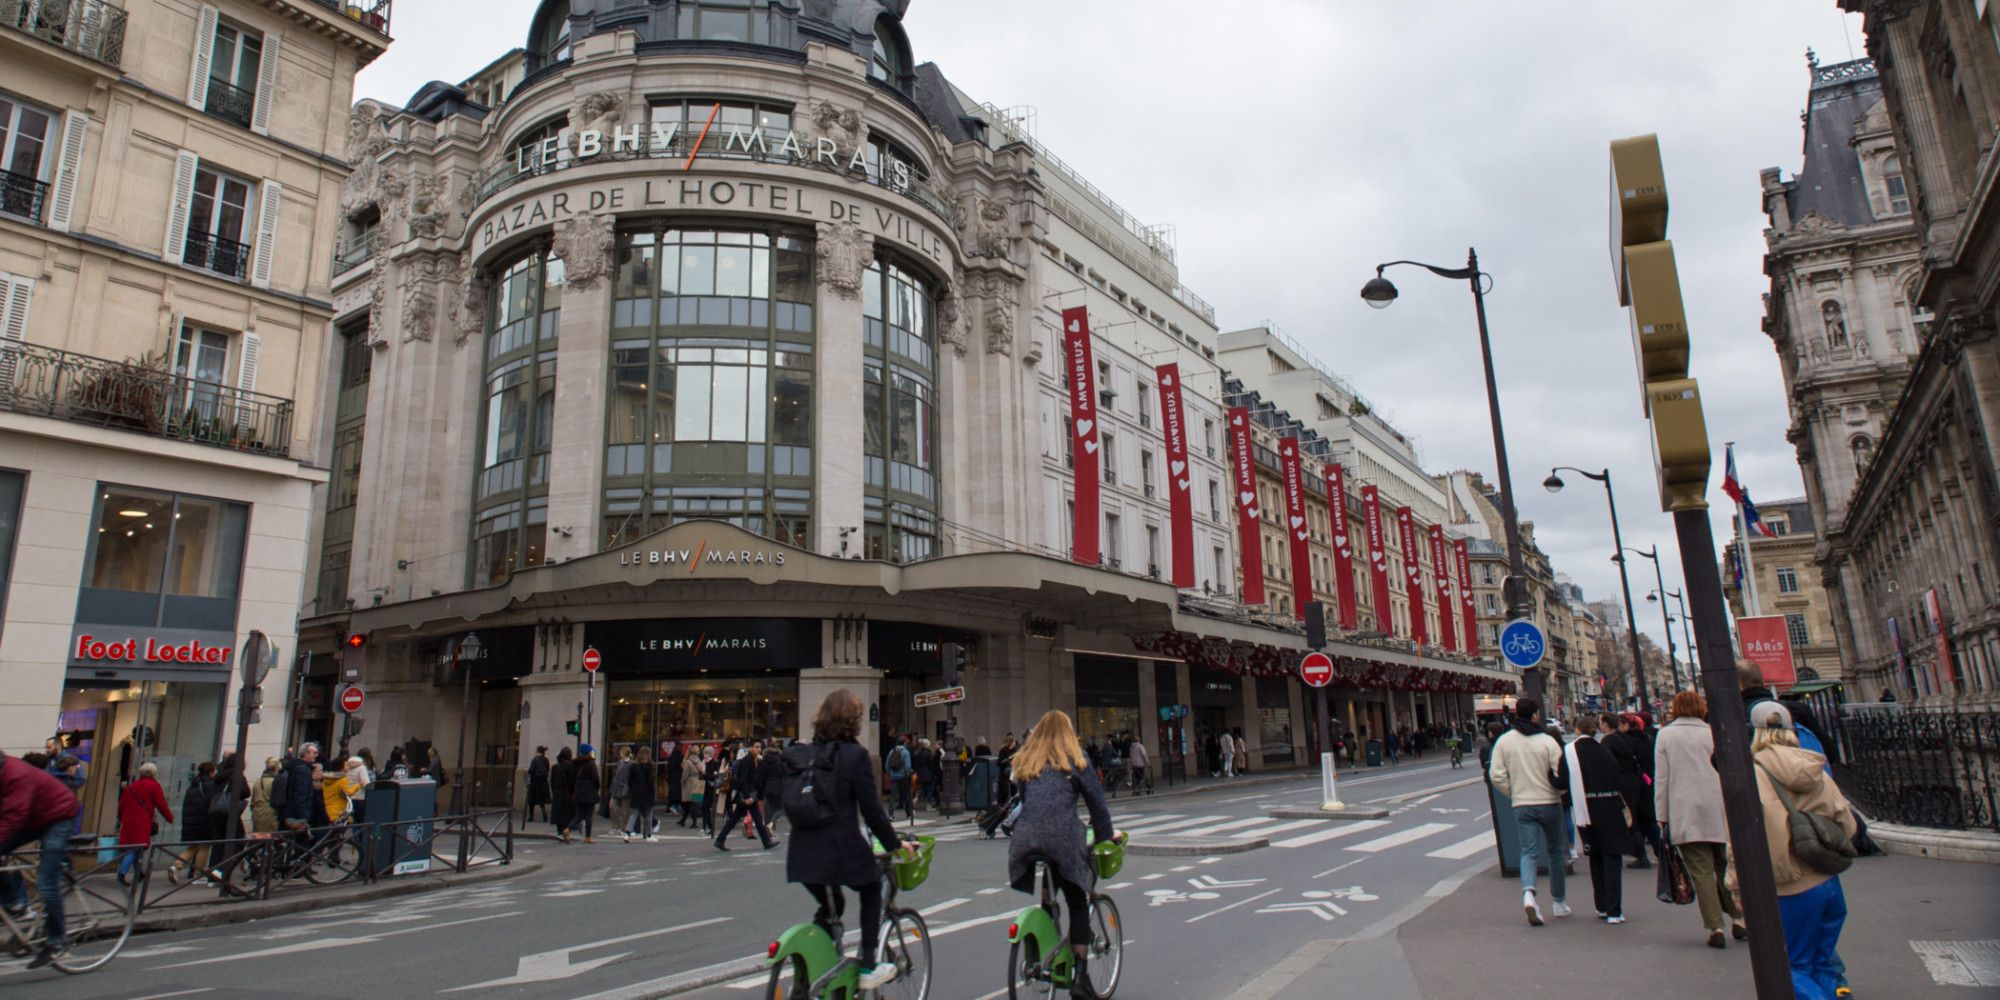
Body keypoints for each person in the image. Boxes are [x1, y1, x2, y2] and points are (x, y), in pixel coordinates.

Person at [785, 689, 918, 991]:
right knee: (871, 889)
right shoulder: (855, 756)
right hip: (839, 850)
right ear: (854, 720)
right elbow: (872, 812)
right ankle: (869, 964)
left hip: (801, 854)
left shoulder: (807, 754)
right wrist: (895, 844)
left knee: (830, 907)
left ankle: (808, 974)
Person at [1734, 701, 1857, 1000]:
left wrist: (1736, 888)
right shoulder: (1813, 766)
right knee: (1822, 963)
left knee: (1791, 967)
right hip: (1828, 881)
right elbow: (1848, 824)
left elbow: (1740, 839)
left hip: (1789, 886)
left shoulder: (1751, 776)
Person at [1007, 710, 1118, 998]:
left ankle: (1044, 942)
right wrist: (1106, 835)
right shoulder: (1076, 758)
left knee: (1051, 880)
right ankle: (1080, 976)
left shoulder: (1028, 759)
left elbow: (1026, 799)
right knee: (1077, 901)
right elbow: (1096, 803)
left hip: (1026, 839)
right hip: (1063, 838)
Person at [1654, 690, 1746, 948]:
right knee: (1725, 866)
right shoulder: (1713, 732)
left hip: (1685, 809)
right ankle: (1739, 918)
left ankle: (1715, 926)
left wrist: (1661, 814)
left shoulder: (1666, 735)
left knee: (1701, 871)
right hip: (1719, 806)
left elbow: (1662, 778)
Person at [1488, 698, 1569, 926]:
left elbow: (1496, 775)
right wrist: (1558, 792)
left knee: (1528, 852)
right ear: (1534, 715)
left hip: (1522, 804)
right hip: (1549, 802)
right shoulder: (1547, 741)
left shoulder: (1505, 741)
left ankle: (1528, 894)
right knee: (1555, 852)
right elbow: (1561, 774)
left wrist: (1514, 792)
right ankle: (1559, 902)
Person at [0, 750, 80, 968]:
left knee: (46, 882)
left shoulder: (16, 774)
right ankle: (14, 904)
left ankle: (57, 940)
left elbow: (14, 815)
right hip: (32, 818)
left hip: (59, 817)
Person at [1561, 713, 1631, 923]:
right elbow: (1617, 776)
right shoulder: (1604, 750)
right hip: (1609, 807)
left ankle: (1601, 905)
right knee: (1612, 858)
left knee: (1596, 857)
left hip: (1587, 810)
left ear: (1577, 730)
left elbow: (1562, 781)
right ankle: (1614, 910)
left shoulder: (1570, 752)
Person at [1613, 715, 1663, 869]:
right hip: (1648, 783)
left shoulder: (1626, 741)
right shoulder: (1648, 739)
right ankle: (1661, 853)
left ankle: (1641, 856)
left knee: (1635, 822)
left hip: (1633, 784)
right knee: (1649, 821)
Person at [714, 737, 778, 851]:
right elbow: (742, 780)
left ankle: (720, 840)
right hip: (747, 794)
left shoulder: (756, 760)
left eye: (760, 747)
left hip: (750, 794)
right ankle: (766, 842)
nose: (759, 749)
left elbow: (758, 778)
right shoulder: (747, 760)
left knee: (736, 818)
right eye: (756, 747)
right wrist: (747, 796)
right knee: (756, 818)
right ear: (751, 748)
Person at [115, 760, 173, 886]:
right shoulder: (154, 786)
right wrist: (169, 817)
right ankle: (122, 873)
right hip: (142, 821)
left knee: (136, 847)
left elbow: (121, 805)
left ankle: (139, 873)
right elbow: (161, 804)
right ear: (154, 773)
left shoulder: (132, 786)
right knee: (135, 848)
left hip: (128, 821)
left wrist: (120, 818)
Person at [206, 752, 252, 891]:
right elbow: (245, 792)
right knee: (238, 839)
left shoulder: (220, 775)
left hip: (215, 810)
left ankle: (213, 876)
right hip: (229, 811)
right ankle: (225, 870)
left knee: (218, 843)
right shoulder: (237, 775)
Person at [172, 761, 217, 885]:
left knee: (194, 846)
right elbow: (211, 802)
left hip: (191, 820)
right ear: (211, 772)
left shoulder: (193, 785)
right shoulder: (211, 785)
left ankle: (176, 866)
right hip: (204, 820)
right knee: (204, 846)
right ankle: (198, 874)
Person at [622, 745, 658, 842]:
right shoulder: (650, 765)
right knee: (648, 814)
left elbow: (629, 781)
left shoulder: (633, 765)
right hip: (647, 793)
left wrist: (633, 789)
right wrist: (653, 793)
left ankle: (627, 833)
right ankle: (649, 835)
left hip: (636, 793)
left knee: (634, 814)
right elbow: (651, 781)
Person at [567, 745, 601, 843]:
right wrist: (596, 788)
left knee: (579, 815)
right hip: (589, 792)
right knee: (589, 815)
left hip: (578, 791)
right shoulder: (591, 763)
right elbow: (596, 779)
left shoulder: (575, 763)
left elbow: (571, 777)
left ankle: (568, 829)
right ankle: (587, 837)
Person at [322, 756, 364, 824]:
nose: (348, 767)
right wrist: (359, 785)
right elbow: (348, 793)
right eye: (346, 765)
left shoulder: (327, 778)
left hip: (328, 811)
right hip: (338, 812)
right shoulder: (342, 779)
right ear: (341, 767)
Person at [759, 743, 787, 839]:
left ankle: (769, 832)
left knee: (769, 808)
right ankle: (771, 824)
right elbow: (785, 773)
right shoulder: (780, 760)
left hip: (767, 785)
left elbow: (762, 776)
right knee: (780, 808)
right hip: (778, 785)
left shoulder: (763, 761)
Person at [885, 737, 914, 821]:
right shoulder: (906, 752)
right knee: (906, 796)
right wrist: (907, 775)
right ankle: (909, 814)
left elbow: (887, 765)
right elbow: (907, 766)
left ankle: (890, 815)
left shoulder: (891, 751)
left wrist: (891, 774)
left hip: (894, 777)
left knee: (893, 797)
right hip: (903, 777)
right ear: (904, 743)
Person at [550, 747, 576, 838]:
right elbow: (572, 781)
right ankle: (566, 830)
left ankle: (559, 832)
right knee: (567, 814)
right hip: (567, 793)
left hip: (557, 793)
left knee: (558, 813)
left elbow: (552, 782)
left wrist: (554, 791)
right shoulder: (571, 766)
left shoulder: (554, 767)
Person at [250, 757, 280, 834]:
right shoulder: (276, 782)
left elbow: (252, 801)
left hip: (257, 813)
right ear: (276, 768)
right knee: (269, 836)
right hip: (270, 814)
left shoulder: (257, 782)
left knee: (257, 836)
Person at [609, 745, 635, 834]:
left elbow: (630, 778)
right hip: (616, 788)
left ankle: (624, 827)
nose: (620, 753)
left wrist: (627, 788)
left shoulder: (631, 764)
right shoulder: (620, 762)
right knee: (612, 806)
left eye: (621, 752)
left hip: (625, 788)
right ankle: (615, 826)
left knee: (625, 810)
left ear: (624, 753)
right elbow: (616, 775)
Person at [678, 746, 704, 830]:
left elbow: (685, 774)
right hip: (698, 782)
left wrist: (682, 782)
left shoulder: (688, 762)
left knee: (690, 803)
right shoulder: (699, 761)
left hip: (690, 783)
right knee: (693, 803)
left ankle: (693, 822)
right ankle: (683, 820)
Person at [525, 746, 552, 825]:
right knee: (541, 800)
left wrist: (528, 780)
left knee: (531, 800)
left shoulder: (535, 760)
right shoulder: (546, 760)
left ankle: (531, 816)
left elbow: (531, 770)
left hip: (534, 782)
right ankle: (544, 815)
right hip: (543, 782)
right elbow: (547, 769)